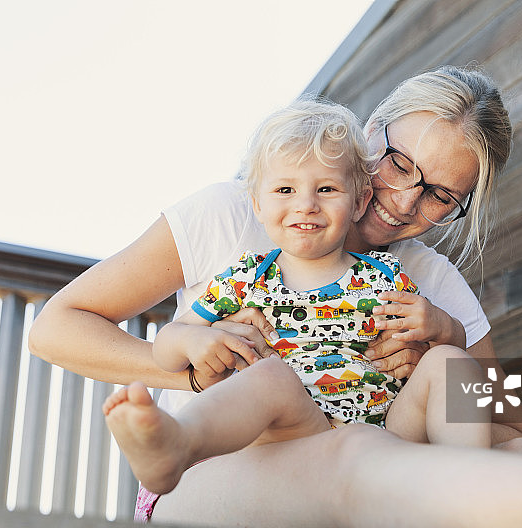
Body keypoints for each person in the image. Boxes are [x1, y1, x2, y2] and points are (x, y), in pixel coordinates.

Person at [28, 66, 522, 528]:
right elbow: (55, 328)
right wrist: (189, 368)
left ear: (462, 205)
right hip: (221, 474)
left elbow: (511, 428)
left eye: (441, 195)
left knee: (513, 446)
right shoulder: (244, 212)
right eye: (398, 164)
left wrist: (443, 346)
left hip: (370, 456)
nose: (404, 201)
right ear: (368, 133)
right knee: (349, 448)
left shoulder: (430, 283)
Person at [107, 98, 491, 496]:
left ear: (358, 201)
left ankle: (467, 486)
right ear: (256, 203)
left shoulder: (386, 275)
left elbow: (450, 359)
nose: (305, 205)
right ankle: (178, 444)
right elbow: (169, 344)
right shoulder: (246, 278)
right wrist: (194, 341)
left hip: (382, 441)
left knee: (451, 363)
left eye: (326, 189)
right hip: (293, 438)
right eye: (285, 189)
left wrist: (444, 331)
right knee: (269, 377)